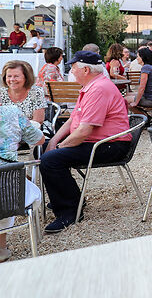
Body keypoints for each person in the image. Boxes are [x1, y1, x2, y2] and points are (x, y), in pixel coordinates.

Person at [40, 51, 132, 232]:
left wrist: (57, 147)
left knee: (51, 159)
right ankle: (65, 197)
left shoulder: (98, 89)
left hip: (111, 145)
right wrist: (54, 142)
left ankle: (70, 211)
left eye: (74, 68)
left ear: (86, 70)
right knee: (43, 149)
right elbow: (73, 119)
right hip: (98, 142)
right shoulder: (91, 86)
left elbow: (83, 131)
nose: (72, 72)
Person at [0, 105, 46, 262]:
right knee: (11, 187)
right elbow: (39, 139)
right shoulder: (11, 112)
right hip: (10, 191)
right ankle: (1, 247)